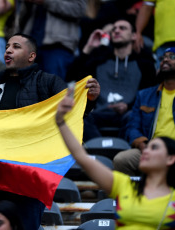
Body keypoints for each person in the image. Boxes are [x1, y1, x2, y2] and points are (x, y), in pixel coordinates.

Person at [0, 33, 100, 229]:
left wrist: (90, 100)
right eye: (7, 46)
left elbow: (71, 111)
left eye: (16, 46)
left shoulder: (47, 82)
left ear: (31, 56)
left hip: (29, 177)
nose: (8, 50)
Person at [56, 87, 175, 229]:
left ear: (170, 159)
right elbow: (82, 157)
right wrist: (61, 122)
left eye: (154, 148)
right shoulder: (124, 185)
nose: (146, 151)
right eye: (147, 147)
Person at [66, 19, 156, 141]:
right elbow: (72, 77)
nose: (116, 31)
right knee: (80, 117)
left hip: (129, 113)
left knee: (135, 118)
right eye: (114, 29)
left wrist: (128, 106)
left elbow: (148, 94)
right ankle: (100, 151)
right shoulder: (99, 61)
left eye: (122, 28)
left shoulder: (144, 65)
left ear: (134, 35)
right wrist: (88, 47)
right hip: (100, 112)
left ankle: (120, 153)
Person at [113, 47, 175, 176]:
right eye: (163, 58)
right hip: (151, 148)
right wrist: (143, 145)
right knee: (121, 160)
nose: (165, 60)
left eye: (172, 57)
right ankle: (131, 196)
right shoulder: (144, 95)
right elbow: (133, 127)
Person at [17, 0, 87, 79]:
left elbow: (79, 9)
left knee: (52, 89)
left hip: (57, 46)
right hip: (30, 45)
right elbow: (20, 17)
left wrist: (46, 2)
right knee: (25, 88)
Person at [135, 0, 175, 68]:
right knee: (164, 75)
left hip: (164, 39)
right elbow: (147, 7)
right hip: (164, 40)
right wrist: (138, 32)